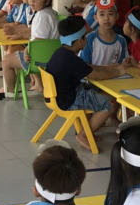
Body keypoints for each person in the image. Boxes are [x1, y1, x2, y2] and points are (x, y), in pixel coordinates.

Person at [42, 16, 124, 150]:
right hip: (69, 100)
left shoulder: (61, 53)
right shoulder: (71, 60)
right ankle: (84, 135)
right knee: (110, 104)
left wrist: (108, 68)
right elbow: (96, 76)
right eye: (85, 37)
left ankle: (87, 130)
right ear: (80, 40)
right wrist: (117, 73)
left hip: (57, 97)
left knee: (91, 91)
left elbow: (87, 67)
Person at [0, 0, 59, 99]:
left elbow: (39, 40)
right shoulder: (49, 13)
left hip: (41, 60)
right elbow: (35, 34)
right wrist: (20, 35)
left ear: (47, 1)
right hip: (50, 56)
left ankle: (9, 90)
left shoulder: (41, 16)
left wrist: (27, 50)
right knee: (19, 50)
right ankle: (39, 85)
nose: (32, 1)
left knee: (6, 60)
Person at [79, 0, 130, 66]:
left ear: (117, 16)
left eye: (110, 14)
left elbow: (123, 65)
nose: (106, 18)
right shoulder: (89, 38)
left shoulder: (121, 40)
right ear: (96, 18)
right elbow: (83, 65)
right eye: (102, 14)